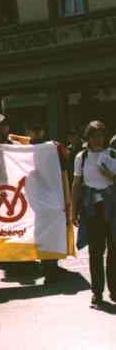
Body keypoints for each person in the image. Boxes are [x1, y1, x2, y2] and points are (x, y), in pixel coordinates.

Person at [72, 120, 116, 308]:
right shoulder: (81, 157)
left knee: (114, 251)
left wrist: (110, 176)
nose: (98, 139)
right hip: (91, 208)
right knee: (95, 252)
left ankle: (114, 290)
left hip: (112, 206)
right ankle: (97, 293)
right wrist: (73, 210)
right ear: (88, 137)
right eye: (94, 135)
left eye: (100, 135)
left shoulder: (113, 154)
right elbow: (76, 184)